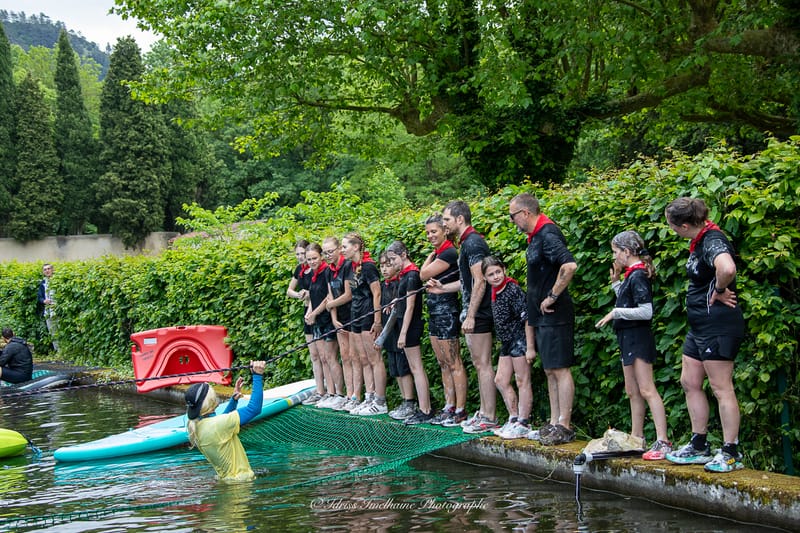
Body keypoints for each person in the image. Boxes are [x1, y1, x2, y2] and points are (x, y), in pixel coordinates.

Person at [663, 197, 746, 473]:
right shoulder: (700, 240)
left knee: (721, 387)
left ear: (684, 225)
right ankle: (699, 444)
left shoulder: (712, 240)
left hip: (718, 325)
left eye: (672, 225)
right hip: (699, 326)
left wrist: (720, 290)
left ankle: (731, 451)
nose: (671, 229)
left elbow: (727, 268)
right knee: (689, 381)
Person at [595, 230, 672, 460]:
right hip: (627, 338)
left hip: (638, 338)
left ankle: (662, 440)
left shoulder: (638, 275)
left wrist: (615, 312)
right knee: (632, 391)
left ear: (626, 252)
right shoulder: (631, 274)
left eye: (615, 252)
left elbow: (646, 311)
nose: (614, 256)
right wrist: (616, 281)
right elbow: (627, 300)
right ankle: (636, 438)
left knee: (647, 389)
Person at [509, 193, 578, 446]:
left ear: (525, 213)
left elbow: (569, 265)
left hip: (555, 314)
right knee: (550, 370)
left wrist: (552, 296)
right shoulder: (536, 236)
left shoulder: (548, 234)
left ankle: (565, 424)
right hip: (542, 316)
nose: (512, 221)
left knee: (560, 369)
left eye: (513, 216)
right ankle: (553, 421)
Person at [435, 200, 497, 434]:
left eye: (447, 220)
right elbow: (467, 283)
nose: (444, 224)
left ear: (460, 219)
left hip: (479, 313)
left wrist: (470, 315)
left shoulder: (473, 243)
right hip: (473, 311)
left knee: (483, 364)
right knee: (479, 363)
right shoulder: (467, 243)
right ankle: (483, 411)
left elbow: (481, 280)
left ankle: (489, 416)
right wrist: (442, 287)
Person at [420, 214, 467, 427]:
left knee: (454, 362)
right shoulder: (440, 252)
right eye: (428, 232)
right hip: (435, 312)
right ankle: (449, 406)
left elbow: (423, 274)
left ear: (444, 231)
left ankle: (460, 409)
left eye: (434, 231)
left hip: (447, 312)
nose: (430, 235)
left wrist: (429, 257)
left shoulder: (448, 252)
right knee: (442, 363)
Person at [185, 360, 266, 481]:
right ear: (210, 401)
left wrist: (233, 401)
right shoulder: (218, 425)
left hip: (228, 482)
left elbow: (219, 425)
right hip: (242, 484)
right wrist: (257, 376)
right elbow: (254, 409)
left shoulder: (197, 426)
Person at [481, 256, 533, 440]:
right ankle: (513, 417)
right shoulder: (495, 291)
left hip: (519, 339)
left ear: (504, 270)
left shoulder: (513, 290)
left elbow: (527, 317)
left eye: (498, 272)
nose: (495, 276)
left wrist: (530, 346)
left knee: (522, 380)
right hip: (507, 342)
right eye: (491, 274)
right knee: (501, 380)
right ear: (485, 278)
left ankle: (524, 422)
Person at [339, 232, 387, 415]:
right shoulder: (350, 267)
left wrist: (377, 320)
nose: (342, 250)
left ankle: (380, 401)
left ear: (356, 247)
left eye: (345, 247)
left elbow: (377, 293)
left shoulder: (368, 266)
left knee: (375, 358)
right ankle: (369, 396)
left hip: (368, 315)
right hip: (355, 315)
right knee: (363, 359)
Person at [386, 240, 433, 425]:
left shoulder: (412, 274)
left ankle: (425, 409)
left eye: (393, 259)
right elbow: (404, 298)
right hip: (407, 325)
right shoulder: (405, 275)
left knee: (416, 368)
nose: (391, 264)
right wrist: (396, 300)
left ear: (403, 255)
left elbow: (411, 305)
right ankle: (423, 408)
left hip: (411, 326)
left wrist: (403, 332)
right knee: (414, 368)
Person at [303, 243, 346, 410]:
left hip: (327, 319)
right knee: (323, 358)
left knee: (330, 357)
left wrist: (314, 313)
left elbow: (327, 298)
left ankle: (338, 393)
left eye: (314, 258)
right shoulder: (313, 275)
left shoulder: (326, 272)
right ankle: (329, 392)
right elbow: (314, 297)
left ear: (321, 257)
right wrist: (310, 312)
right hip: (318, 322)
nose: (312, 261)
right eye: (309, 259)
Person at [375, 251, 416, 420]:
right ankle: (403, 401)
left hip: (397, 330)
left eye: (388, 265)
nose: (384, 269)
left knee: (403, 367)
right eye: (382, 266)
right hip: (389, 334)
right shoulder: (385, 284)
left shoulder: (399, 283)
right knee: (395, 368)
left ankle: (409, 401)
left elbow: (396, 312)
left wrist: (382, 336)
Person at [324, 236, 361, 412]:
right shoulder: (328, 270)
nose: (328, 255)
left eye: (331, 251)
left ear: (339, 249)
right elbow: (330, 295)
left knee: (354, 357)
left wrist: (331, 305)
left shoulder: (347, 266)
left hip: (351, 316)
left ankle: (356, 394)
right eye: (325, 252)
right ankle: (347, 395)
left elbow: (348, 294)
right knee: (345, 356)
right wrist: (333, 318)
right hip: (338, 319)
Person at [286, 240, 325, 406]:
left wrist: (309, 295)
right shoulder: (300, 270)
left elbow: (320, 292)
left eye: (304, 254)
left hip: (318, 312)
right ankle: (319, 389)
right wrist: (300, 295)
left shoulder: (317, 270)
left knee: (325, 355)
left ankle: (329, 390)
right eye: (298, 254)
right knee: (314, 355)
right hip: (307, 312)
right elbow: (289, 290)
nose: (301, 257)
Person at [37, 263, 58, 351]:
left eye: (49, 269)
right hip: (48, 311)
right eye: (45, 269)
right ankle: (57, 351)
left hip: (57, 310)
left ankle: (64, 351)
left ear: (52, 270)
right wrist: (44, 301)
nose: (47, 271)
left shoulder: (57, 280)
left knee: (59, 331)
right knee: (52, 332)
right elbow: (39, 297)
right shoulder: (43, 283)